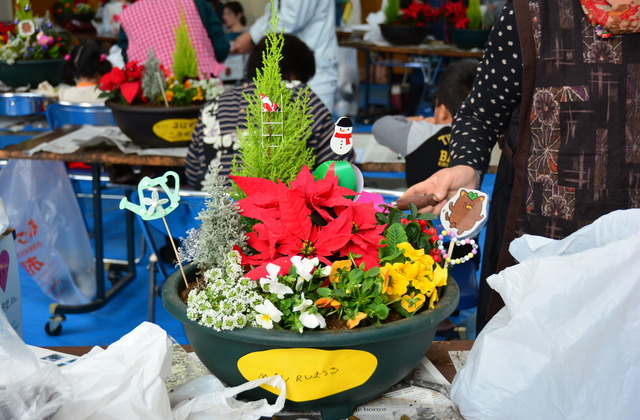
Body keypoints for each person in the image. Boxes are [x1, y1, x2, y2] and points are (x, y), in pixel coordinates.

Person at [401, 0, 640, 333]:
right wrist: (468, 167)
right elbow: (481, 115)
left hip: (630, 255)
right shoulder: (532, 13)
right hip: (536, 237)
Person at [185, 33, 353, 190]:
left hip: (211, 213)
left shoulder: (214, 105)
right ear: (295, 74)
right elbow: (340, 169)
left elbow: (193, 173)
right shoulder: (304, 100)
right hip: (281, 215)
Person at [372, 59, 479, 187]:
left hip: (417, 205)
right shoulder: (481, 139)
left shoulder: (420, 131)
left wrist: (414, 121)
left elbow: (379, 126)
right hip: (464, 205)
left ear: (442, 111)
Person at [230, 0, 338, 113]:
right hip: (287, 70)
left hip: (311, 69)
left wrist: (253, 37)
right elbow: (272, 11)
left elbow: (291, 19)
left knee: (312, 122)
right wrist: (252, 34)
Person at [116, 0, 229, 77]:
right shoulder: (197, 3)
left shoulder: (127, 15)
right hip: (201, 88)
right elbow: (221, 48)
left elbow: (129, 63)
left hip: (152, 97)